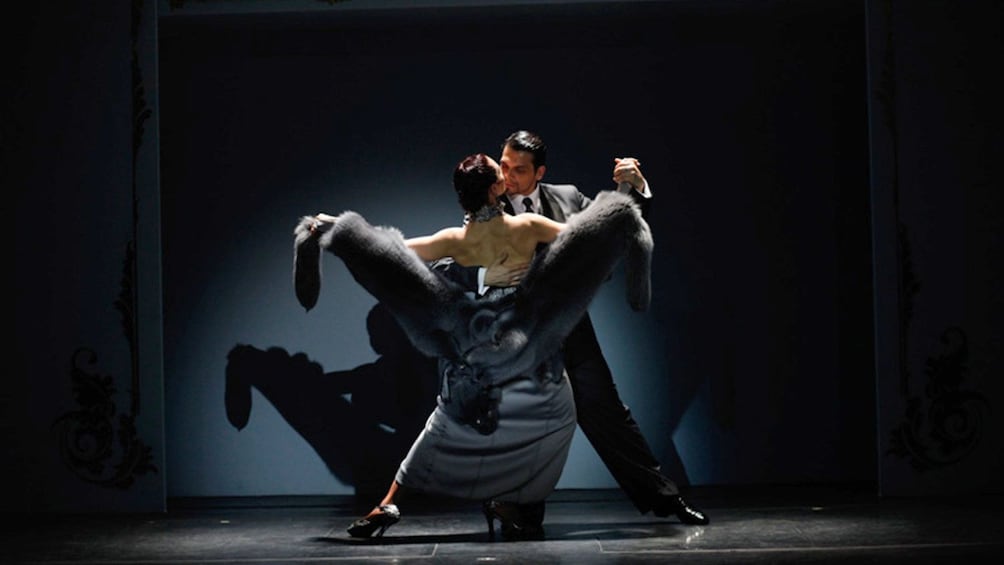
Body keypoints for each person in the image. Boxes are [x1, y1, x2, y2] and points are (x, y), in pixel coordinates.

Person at [293, 152, 654, 540]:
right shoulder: (527, 226)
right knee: (559, 417)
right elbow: (587, 239)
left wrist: (335, 229)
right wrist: (623, 195)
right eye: (502, 174)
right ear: (498, 187)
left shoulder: (455, 240)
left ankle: (392, 502)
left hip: (482, 342)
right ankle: (505, 499)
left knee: (446, 425)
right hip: (528, 346)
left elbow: (388, 250)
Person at [435, 131, 708, 526]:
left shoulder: (567, 198)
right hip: (518, 335)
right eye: (504, 165)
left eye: (519, 170)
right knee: (524, 423)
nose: (507, 176)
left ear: (540, 172)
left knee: (607, 413)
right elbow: (457, 251)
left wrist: (632, 186)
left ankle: (665, 500)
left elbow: (611, 230)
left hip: (570, 327)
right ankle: (515, 508)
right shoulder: (488, 203)